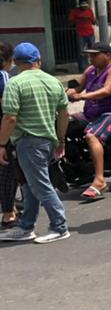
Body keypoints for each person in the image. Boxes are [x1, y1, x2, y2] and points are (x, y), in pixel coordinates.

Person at [0, 43, 69, 244]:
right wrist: (61, 140)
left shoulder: (15, 83)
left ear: (15, 62)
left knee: (40, 185)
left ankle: (59, 226)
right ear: (38, 60)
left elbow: (10, 118)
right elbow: (64, 114)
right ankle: (26, 226)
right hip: (48, 140)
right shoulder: (53, 81)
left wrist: (1, 144)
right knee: (30, 186)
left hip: (28, 142)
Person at [66, 42, 111, 200]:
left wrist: (82, 96)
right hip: (89, 114)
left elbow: (107, 90)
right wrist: (64, 92)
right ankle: (77, 166)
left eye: (94, 55)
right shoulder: (90, 71)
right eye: (89, 55)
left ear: (107, 55)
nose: (90, 58)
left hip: (109, 114)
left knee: (91, 136)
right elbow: (77, 88)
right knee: (65, 125)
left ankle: (100, 180)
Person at [0, 42, 19, 227]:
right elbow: (8, 110)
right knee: (7, 171)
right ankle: (8, 214)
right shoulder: (4, 77)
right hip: (3, 130)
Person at [68, 0, 96, 71]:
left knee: (93, 51)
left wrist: (89, 19)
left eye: (86, 5)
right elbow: (70, 22)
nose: (85, 7)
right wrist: (79, 19)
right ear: (79, 5)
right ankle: (82, 68)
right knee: (81, 52)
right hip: (80, 34)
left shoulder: (90, 11)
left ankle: (94, 66)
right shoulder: (74, 11)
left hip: (90, 33)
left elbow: (94, 22)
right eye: (83, 5)